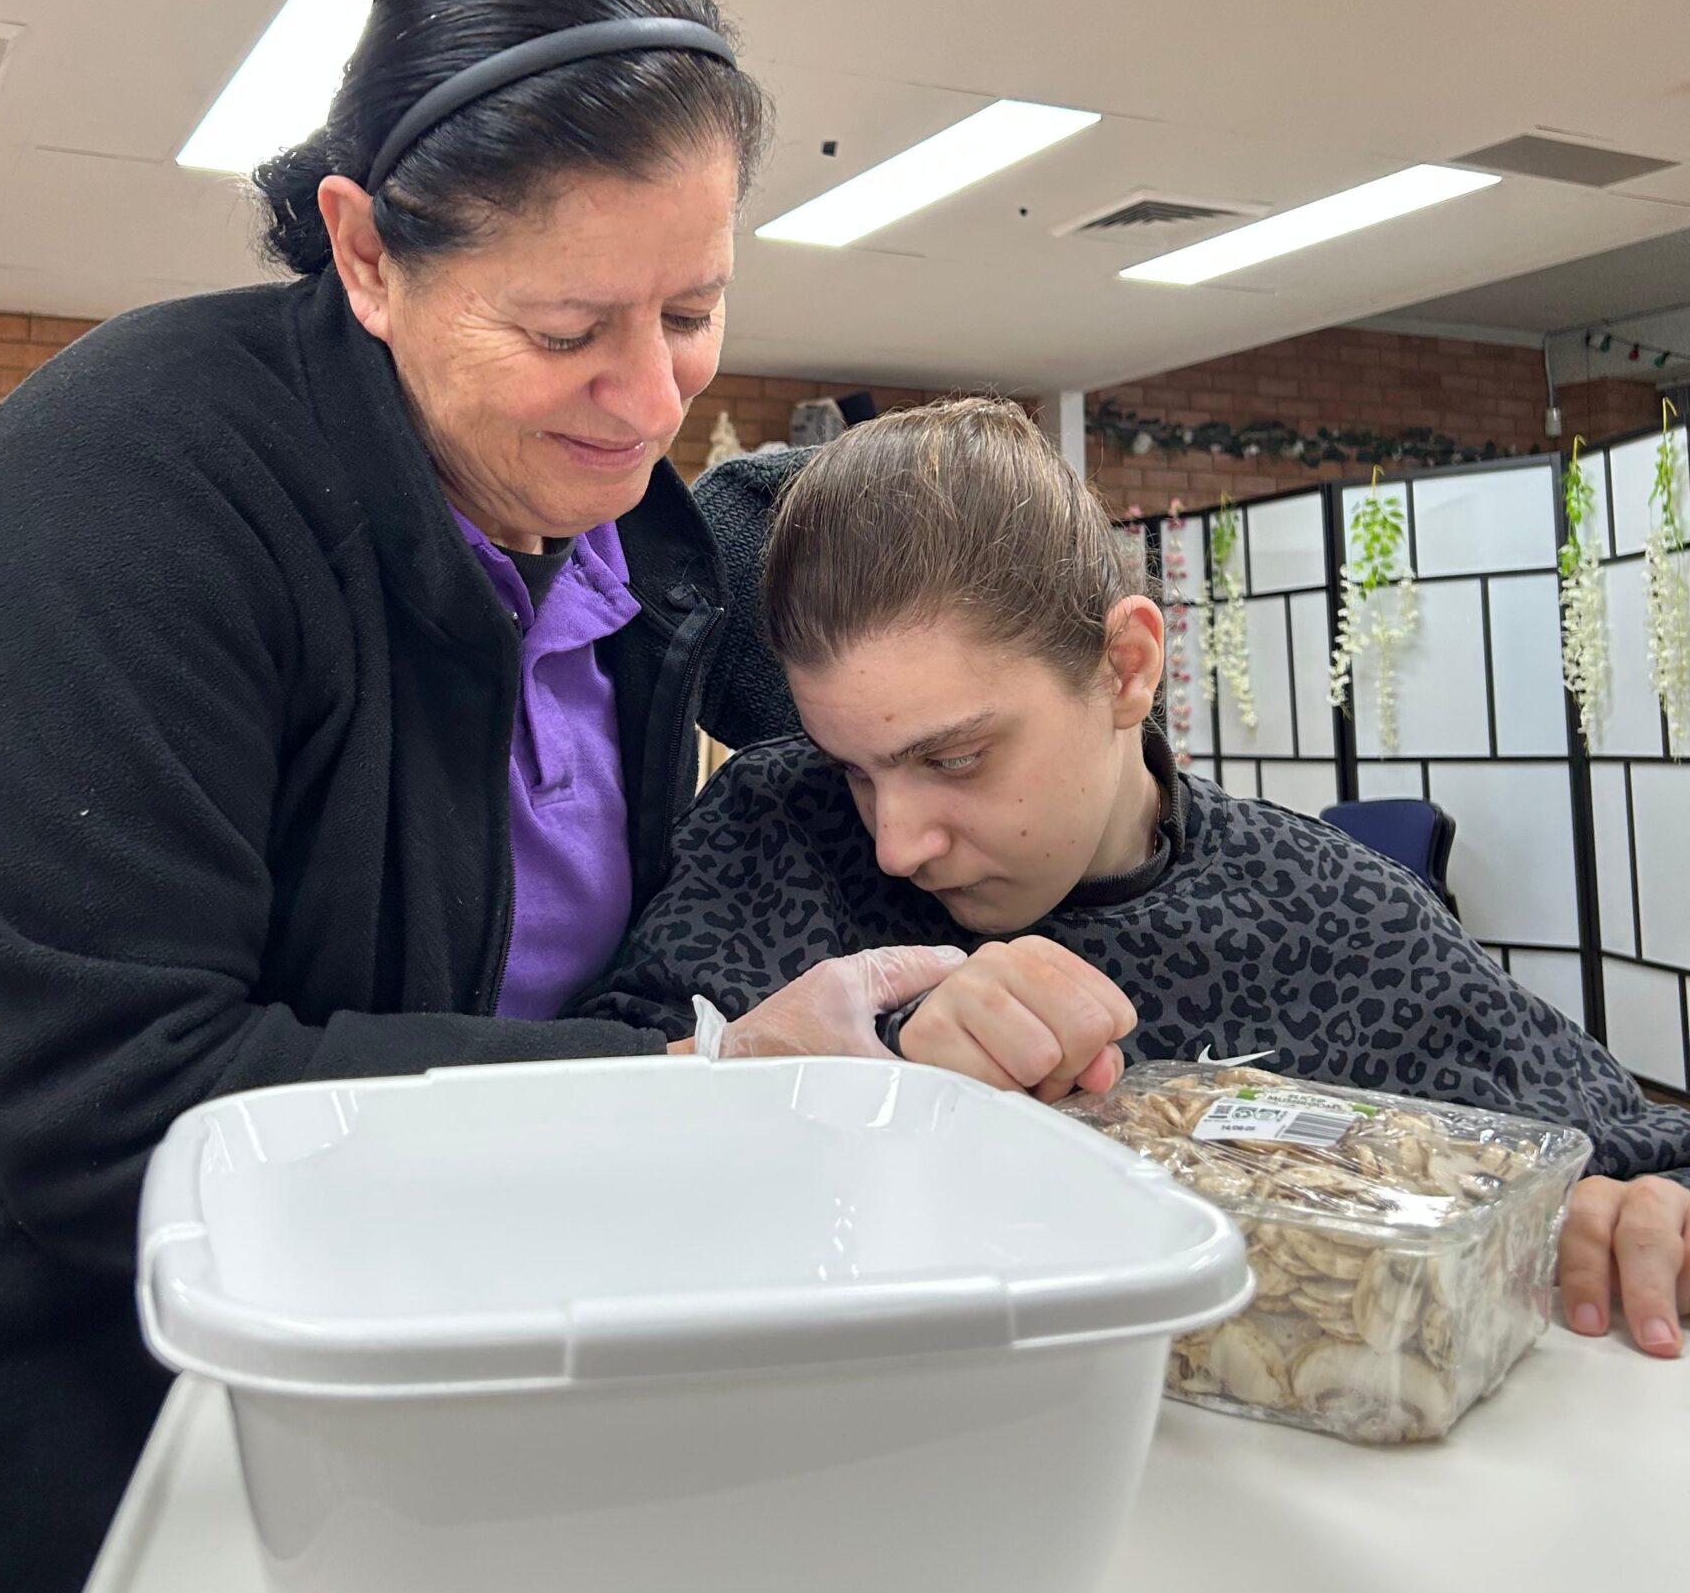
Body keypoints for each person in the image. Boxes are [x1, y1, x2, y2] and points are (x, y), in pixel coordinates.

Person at [0, 0, 1001, 1593]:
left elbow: (969, 727)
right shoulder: (123, 489)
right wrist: (698, 1087)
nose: (643, 396)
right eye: (563, 327)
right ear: (363, 252)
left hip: (433, 1345)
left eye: (692, 311)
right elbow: (109, 1108)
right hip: (67, 1392)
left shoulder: (637, 550)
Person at [585, 397, 1690, 1355]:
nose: (896, 843)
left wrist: (1630, 1218)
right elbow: (573, 1115)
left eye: (954, 758)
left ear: (1126, 668)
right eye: (856, 770)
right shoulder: (779, 831)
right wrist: (818, 1092)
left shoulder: (1331, 914)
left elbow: (1647, 1152)